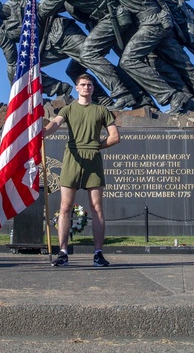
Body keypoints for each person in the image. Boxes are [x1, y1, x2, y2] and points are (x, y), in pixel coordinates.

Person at [43, 73, 120, 268]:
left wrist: (96, 146)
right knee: (65, 207)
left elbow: (114, 136)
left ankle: (98, 253)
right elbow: (55, 124)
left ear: (93, 88)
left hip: (93, 160)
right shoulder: (69, 109)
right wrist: (43, 132)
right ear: (77, 88)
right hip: (72, 159)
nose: (86, 87)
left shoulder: (102, 110)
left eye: (90, 85)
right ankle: (62, 252)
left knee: (97, 207)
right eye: (83, 85)